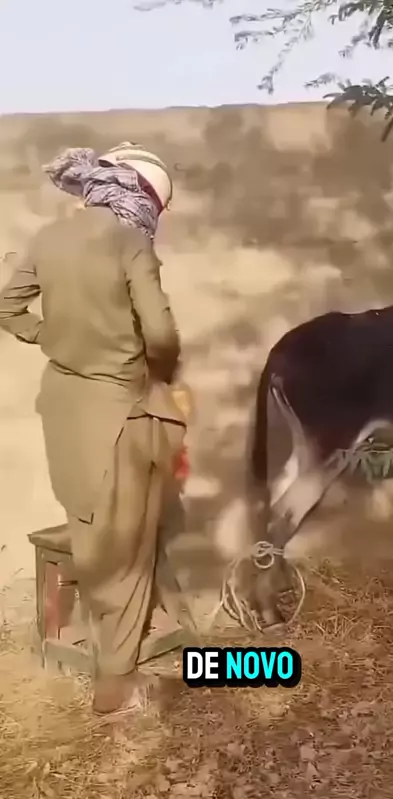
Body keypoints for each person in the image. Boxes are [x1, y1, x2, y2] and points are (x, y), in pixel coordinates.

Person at [0, 141, 188, 716]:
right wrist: (154, 369)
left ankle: (106, 641)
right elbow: (161, 336)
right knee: (127, 544)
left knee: (89, 525)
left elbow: (7, 307)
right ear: (141, 197)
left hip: (63, 409)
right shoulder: (130, 243)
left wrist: (52, 338)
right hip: (121, 410)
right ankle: (116, 681)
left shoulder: (48, 238)